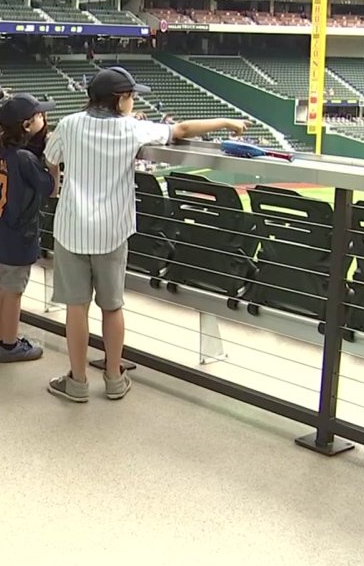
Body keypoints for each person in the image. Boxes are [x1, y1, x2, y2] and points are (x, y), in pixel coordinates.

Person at [43, 67, 246, 403]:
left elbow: (51, 160)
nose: (134, 99)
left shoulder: (69, 123)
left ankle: (77, 382)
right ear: (120, 99)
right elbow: (180, 130)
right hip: (111, 229)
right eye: (131, 95)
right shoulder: (131, 128)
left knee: (76, 307)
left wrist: (56, 185)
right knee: (112, 306)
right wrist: (225, 123)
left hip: (71, 227)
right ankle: (113, 378)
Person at [0, 93, 58, 363]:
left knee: (1, 288)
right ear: (26, 126)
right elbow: (49, 188)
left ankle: (1, 340)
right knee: (13, 292)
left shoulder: (3, 151)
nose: (44, 119)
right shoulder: (25, 158)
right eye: (39, 116)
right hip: (18, 234)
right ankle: (10, 345)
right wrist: (52, 167)